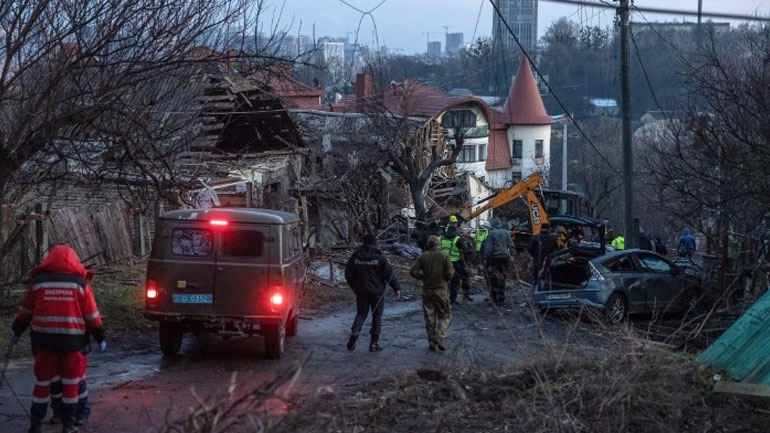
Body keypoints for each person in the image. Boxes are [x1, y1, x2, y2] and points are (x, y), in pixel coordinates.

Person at [10, 245, 106, 433]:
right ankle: (68, 426)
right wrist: (100, 336)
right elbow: (92, 316)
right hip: (72, 344)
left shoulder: (38, 282)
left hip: (44, 343)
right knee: (71, 385)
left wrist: (17, 331)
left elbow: (26, 312)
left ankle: (35, 425)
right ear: (73, 260)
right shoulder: (80, 284)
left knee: (42, 384)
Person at [344, 234, 402, 352]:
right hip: (377, 293)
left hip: (361, 292)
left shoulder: (356, 256)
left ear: (363, 242)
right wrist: (397, 288)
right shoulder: (379, 257)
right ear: (374, 243)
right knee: (376, 316)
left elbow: (348, 273)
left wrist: (354, 287)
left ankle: (355, 331)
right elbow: (389, 275)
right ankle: (374, 344)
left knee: (361, 314)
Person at [410, 235, 454, 351]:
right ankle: (440, 336)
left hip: (427, 291)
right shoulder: (444, 255)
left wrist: (422, 277)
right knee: (445, 315)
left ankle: (431, 341)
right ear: (438, 244)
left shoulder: (422, 256)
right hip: (441, 290)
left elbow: (413, 271)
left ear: (428, 244)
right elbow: (450, 273)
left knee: (430, 317)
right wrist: (444, 278)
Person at [483, 217, 514, 306]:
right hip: (505, 258)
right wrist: (512, 254)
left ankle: (494, 298)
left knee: (493, 279)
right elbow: (511, 244)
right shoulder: (505, 232)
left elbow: (488, 248)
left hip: (494, 258)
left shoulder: (491, 233)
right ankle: (501, 299)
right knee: (502, 278)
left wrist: (486, 258)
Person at [441, 222, 473, 303]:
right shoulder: (457, 239)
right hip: (454, 262)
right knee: (454, 281)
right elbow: (465, 251)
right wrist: (465, 262)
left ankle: (441, 297)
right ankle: (452, 299)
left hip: (442, 262)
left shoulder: (440, 238)